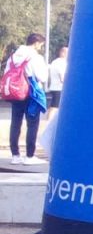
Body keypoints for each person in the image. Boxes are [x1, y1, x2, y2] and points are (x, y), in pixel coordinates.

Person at [5, 33, 48, 164]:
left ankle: (15, 155)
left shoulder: (12, 57)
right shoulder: (35, 57)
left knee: (15, 123)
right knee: (32, 124)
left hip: (16, 92)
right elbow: (42, 77)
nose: (41, 47)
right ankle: (29, 156)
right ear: (35, 43)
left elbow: (8, 72)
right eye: (41, 44)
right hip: (30, 93)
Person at [46, 46, 67, 120]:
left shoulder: (54, 62)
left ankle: (49, 121)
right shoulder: (62, 63)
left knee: (54, 105)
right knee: (55, 107)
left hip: (54, 87)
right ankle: (49, 122)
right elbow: (62, 77)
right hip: (59, 87)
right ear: (62, 53)